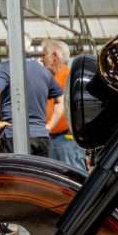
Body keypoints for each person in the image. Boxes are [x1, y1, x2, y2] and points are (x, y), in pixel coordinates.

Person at [0, 37, 64, 158]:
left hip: (13, 136)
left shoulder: (5, 68)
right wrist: (49, 126)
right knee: (38, 176)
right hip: (41, 138)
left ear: (8, 47)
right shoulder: (44, 71)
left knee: (16, 177)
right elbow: (61, 100)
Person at [41, 39, 87, 173]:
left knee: (74, 179)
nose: (41, 59)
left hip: (67, 140)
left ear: (54, 56)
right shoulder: (52, 79)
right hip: (53, 139)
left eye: (44, 55)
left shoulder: (69, 77)